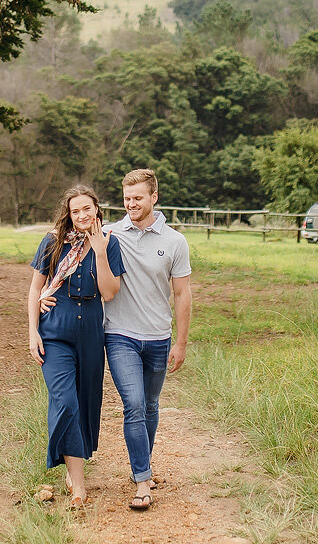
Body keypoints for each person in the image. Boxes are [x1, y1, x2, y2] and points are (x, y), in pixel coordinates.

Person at [27, 184, 124, 506]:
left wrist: (98, 250)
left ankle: (74, 469)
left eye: (87, 209)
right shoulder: (53, 242)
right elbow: (35, 289)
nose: (82, 215)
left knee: (85, 405)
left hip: (91, 335)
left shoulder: (110, 244)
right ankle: (79, 488)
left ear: (97, 210)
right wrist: (33, 332)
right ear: (69, 215)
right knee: (66, 401)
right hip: (55, 332)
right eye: (75, 210)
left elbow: (110, 292)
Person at [102, 168, 192, 511]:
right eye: (126, 198)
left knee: (151, 406)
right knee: (134, 405)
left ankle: (143, 464)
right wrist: (45, 293)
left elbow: (182, 294)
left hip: (158, 337)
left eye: (138, 198)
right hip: (120, 334)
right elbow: (71, 239)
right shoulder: (111, 234)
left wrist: (180, 343)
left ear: (154, 197)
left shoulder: (174, 242)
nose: (131, 204)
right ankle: (142, 480)